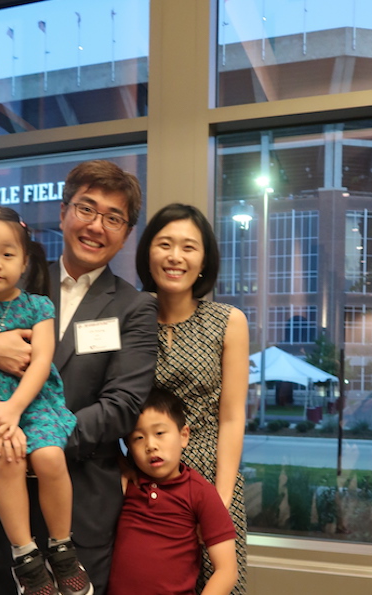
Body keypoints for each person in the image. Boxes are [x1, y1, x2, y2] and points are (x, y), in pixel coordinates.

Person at [0, 160, 158, 595]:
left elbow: (121, 407)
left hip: (77, 503)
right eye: (86, 208)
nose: (96, 225)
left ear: (126, 231)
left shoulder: (134, 309)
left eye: (113, 217)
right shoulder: (12, 270)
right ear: (63, 212)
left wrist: (34, 444)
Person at [0, 205, 91, 595]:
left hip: (33, 401)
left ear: (24, 260)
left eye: (7, 253)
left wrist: (15, 408)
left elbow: (42, 363)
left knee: (49, 456)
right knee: (7, 454)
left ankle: (61, 548)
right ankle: (26, 557)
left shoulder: (40, 306)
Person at [135, 204, 249, 594]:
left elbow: (232, 418)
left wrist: (217, 502)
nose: (175, 256)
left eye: (189, 247)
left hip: (212, 479)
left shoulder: (228, 321)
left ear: (204, 260)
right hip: (147, 483)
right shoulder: (130, 320)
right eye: (164, 244)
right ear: (148, 252)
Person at [107, 388, 238, 595]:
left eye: (159, 433)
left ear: (183, 435)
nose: (151, 445)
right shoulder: (127, 483)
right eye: (138, 438)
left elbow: (227, 571)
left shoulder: (201, 493)